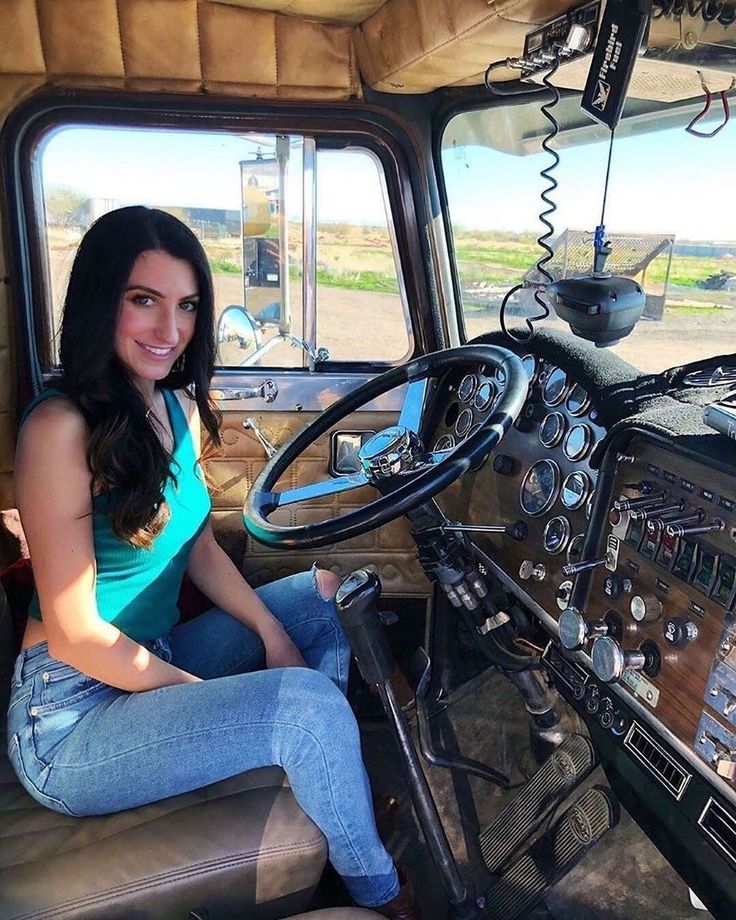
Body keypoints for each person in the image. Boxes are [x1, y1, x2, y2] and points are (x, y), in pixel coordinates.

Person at [7, 206, 418, 919]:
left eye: (188, 306)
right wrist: (196, 694)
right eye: (144, 301)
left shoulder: (174, 406)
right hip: (70, 719)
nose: (170, 330)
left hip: (147, 656)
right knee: (307, 706)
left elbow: (194, 544)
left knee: (325, 594)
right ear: (103, 302)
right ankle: (381, 892)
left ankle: (318, 783)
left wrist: (270, 632)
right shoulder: (58, 428)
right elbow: (74, 632)